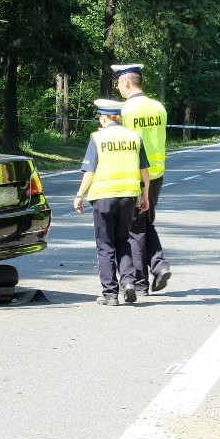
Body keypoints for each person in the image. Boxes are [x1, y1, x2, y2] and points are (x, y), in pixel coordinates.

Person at [74, 99, 150, 306]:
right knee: (123, 240)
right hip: (129, 196)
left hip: (103, 197)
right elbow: (145, 172)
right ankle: (128, 283)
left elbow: (90, 171)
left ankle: (109, 294)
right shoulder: (135, 138)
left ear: (104, 117)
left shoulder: (98, 138)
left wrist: (80, 194)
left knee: (105, 244)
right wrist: (145, 197)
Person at [112, 63, 172, 294]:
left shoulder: (126, 111)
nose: (118, 89)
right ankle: (158, 266)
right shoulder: (158, 107)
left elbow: (123, 144)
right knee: (145, 223)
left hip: (135, 175)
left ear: (127, 82)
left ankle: (141, 281)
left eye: (118, 84)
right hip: (157, 174)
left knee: (134, 229)